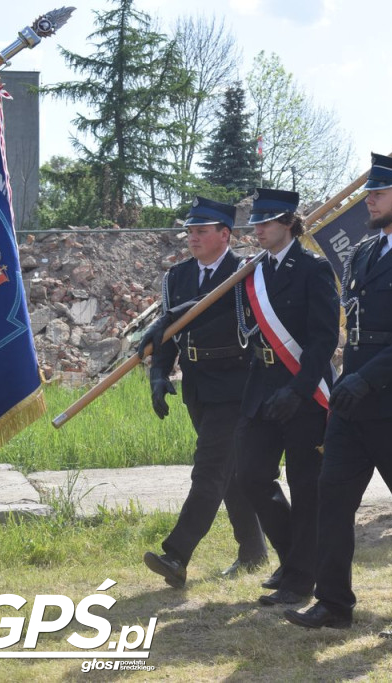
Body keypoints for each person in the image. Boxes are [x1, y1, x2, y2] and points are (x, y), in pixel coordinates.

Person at [285, 154, 392, 637]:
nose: (369, 199)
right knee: (331, 500)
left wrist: (367, 379)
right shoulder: (362, 252)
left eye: (379, 192)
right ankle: (333, 602)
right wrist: (348, 379)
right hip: (353, 401)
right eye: (368, 191)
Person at [139, 197, 266, 588]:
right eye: (190, 231)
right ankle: (253, 551)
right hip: (196, 384)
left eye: (201, 231)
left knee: (210, 469)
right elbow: (167, 334)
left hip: (236, 383)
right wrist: (159, 374)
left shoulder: (246, 272)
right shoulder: (176, 277)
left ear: (224, 234)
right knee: (230, 472)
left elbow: (253, 326)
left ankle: (177, 555)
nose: (192, 237)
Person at [234, 188, 340, 606]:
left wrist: (298, 391)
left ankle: (300, 579)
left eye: (266, 222)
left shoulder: (313, 268)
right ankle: (295, 559)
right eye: (255, 223)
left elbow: (324, 337)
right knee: (251, 475)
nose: (258, 229)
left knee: (305, 485)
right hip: (261, 388)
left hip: (305, 390)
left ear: (288, 223)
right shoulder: (254, 271)